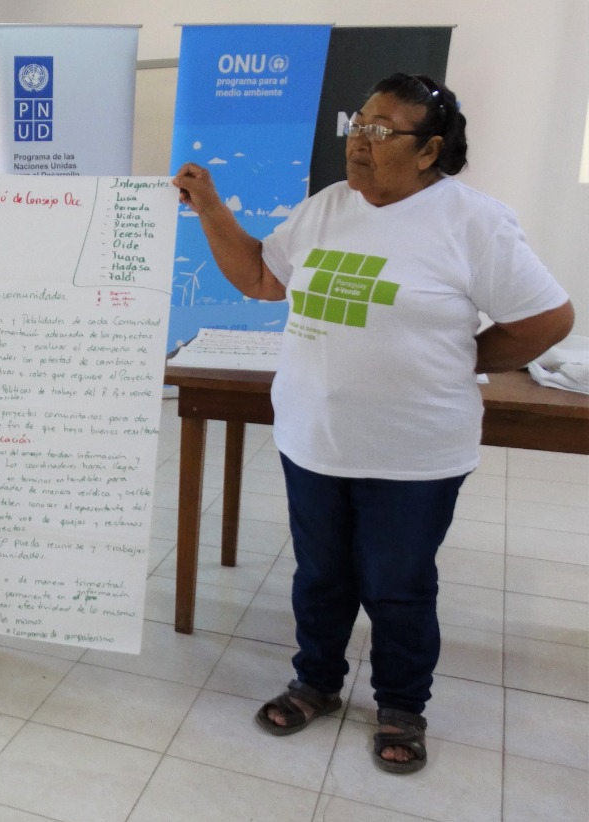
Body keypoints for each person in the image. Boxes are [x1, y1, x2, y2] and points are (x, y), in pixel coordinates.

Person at [173, 73, 573, 774]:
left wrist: (463, 356)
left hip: (414, 452)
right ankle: (316, 682)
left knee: (398, 584)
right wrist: (207, 205)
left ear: (429, 151)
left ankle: (400, 705)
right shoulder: (327, 207)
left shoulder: (473, 221)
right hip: (314, 440)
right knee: (321, 574)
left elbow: (547, 320)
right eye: (357, 124)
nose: (360, 140)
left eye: (382, 130)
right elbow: (263, 279)